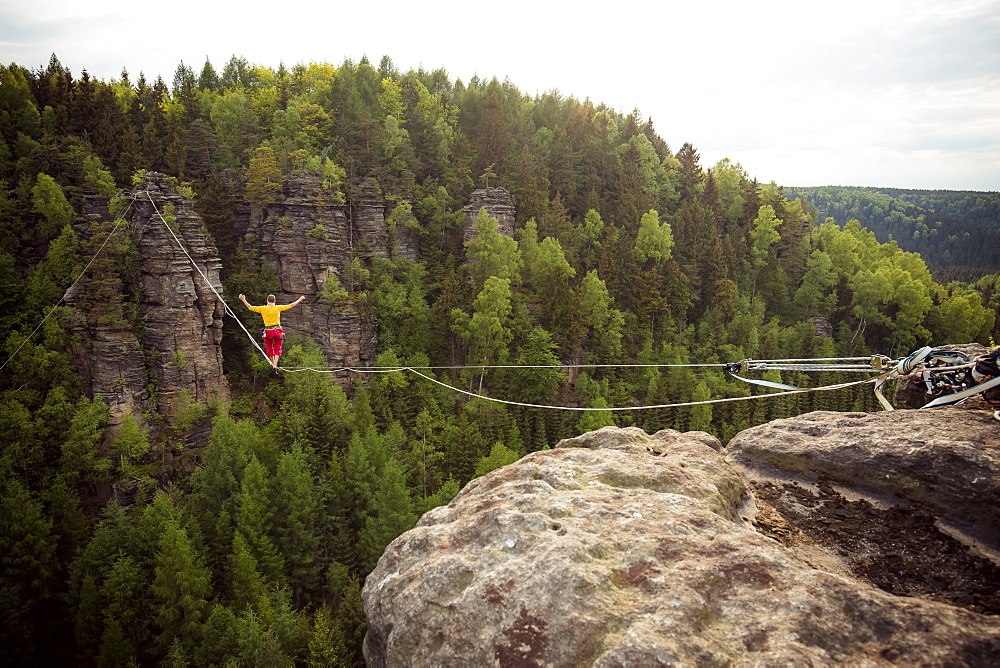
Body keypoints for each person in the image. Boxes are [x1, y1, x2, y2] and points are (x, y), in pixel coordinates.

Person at [238, 293, 305, 368]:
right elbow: (291, 305)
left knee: (269, 347)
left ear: (267, 301)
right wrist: (300, 299)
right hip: (277, 330)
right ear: (275, 301)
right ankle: (275, 363)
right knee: (278, 346)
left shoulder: (263, 308)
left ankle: (272, 362)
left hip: (268, 331)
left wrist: (243, 300)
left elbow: (250, 307)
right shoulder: (278, 308)